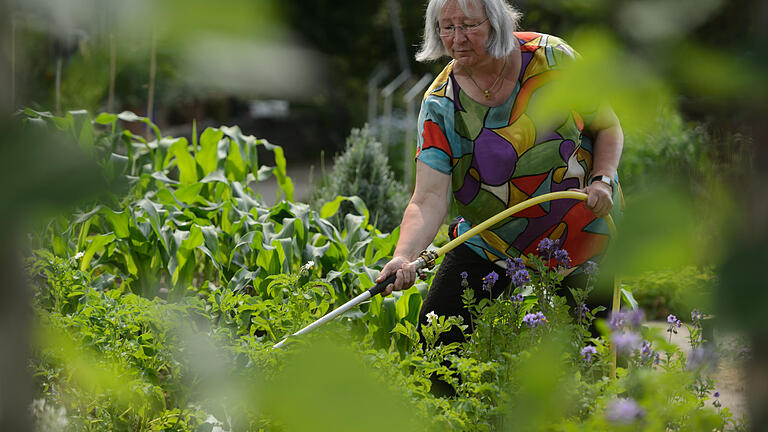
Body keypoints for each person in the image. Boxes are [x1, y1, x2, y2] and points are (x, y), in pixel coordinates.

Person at [375, 0, 623, 344]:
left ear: (496, 23)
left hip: (580, 233)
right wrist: (404, 256)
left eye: (469, 25)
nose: (458, 38)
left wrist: (603, 179)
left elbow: (608, 126)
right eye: (447, 27)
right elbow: (427, 198)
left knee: (603, 350)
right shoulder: (441, 104)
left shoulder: (552, 59)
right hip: (491, 238)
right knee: (438, 340)